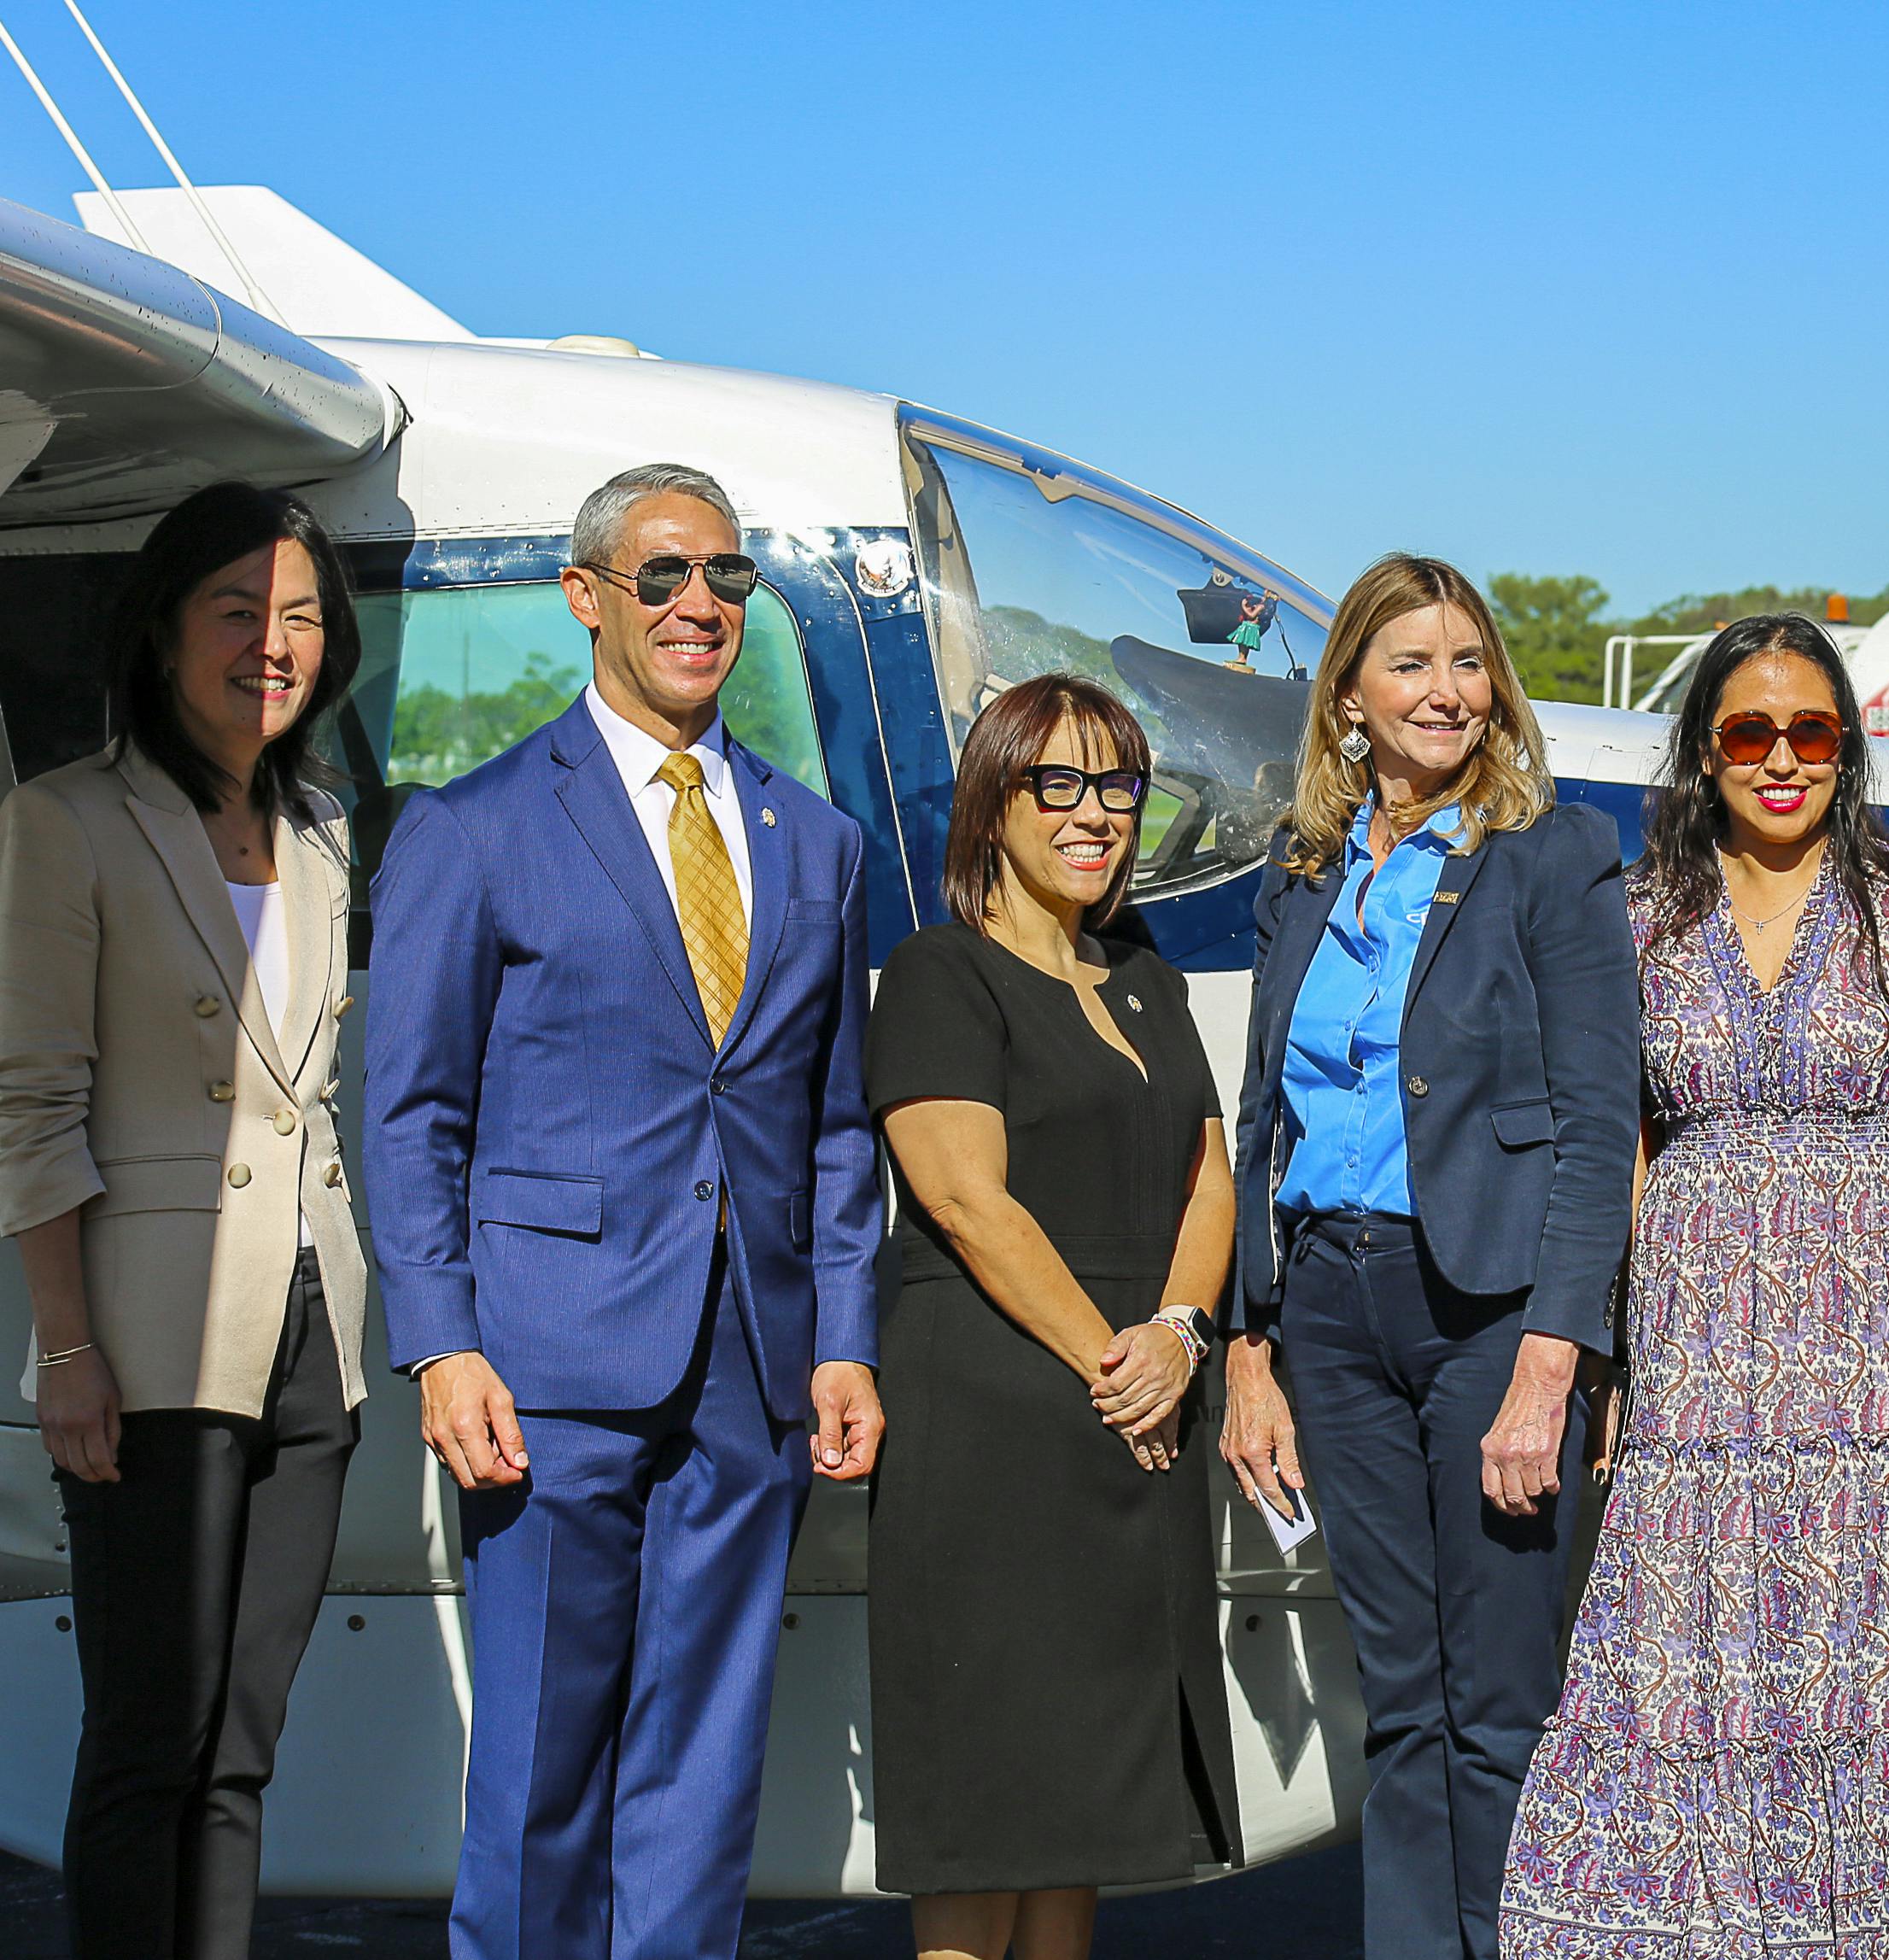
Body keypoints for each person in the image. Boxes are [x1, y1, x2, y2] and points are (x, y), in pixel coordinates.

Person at [1496, 617, 1889, 1957]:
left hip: (1875, 1346)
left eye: (1809, 732)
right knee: (1681, 1670)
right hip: (1694, 1355)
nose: (1780, 759)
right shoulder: (1639, 913)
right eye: (1748, 733)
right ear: (1704, 754)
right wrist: (1608, 1353)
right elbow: (1626, 1146)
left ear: (1845, 747)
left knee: (1876, 1669)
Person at [364, 463, 883, 1960]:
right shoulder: (471, 831)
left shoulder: (818, 845)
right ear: (587, 596)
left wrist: (841, 1339)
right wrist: (441, 1345)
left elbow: (829, 1125)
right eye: (661, 575)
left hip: (753, 1373)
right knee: (536, 1769)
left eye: (727, 575)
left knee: (705, 1774)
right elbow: (411, 1117)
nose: (699, 604)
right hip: (543, 1367)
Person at [1219, 553, 1640, 1960]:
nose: (1445, 691)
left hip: (1485, 1313)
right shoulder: (1302, 875)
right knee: (1400, 1701)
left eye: (1468, 664)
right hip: (1328, 1307)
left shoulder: (1549, 856)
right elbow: (1259, 1112)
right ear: (1349, 692)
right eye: (1410, 663)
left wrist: (1552, 1359)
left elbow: (1596, 1126)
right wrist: (1249, 1339)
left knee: (1502, 1704)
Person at [0, 483, 369, 1960]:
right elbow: (28, 1104)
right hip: (150, 1346)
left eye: (298, 618)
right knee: (150, 1741)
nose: (272, 645)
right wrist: (63, 1351)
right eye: (237, 611)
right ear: (162, 632)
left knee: (241, 1742)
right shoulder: (65, 822)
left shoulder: (325, 825)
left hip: (309, 1337)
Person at [863, 674, 1240, 1960]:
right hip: (996, 1418)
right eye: (1059, 784)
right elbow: (968, 1204)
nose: (1096, 815)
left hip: (1134, 1407)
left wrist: (1180, 1336)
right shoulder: (937, 972)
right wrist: (1113, 1359)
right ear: (994, 801)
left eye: (1119, 785)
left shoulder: (1143, 973)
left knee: (1083, 1803)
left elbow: (1207, 1173)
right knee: (987, 1799)